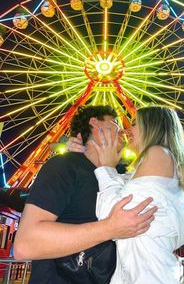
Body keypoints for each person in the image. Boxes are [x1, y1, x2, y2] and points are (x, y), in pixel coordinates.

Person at [14, 105, 157, 284]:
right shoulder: (63, 167)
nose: (124, 131)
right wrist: (109, 228)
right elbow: (25, 244)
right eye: (116, 124)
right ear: (94, 123)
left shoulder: (123, 177)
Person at [91, 105, 184, 284]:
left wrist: (106, 168)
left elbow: (112, 214)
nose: (126, 129)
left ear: (151, 126)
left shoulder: (157, 153)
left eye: (134, 124)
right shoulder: (157, 163)